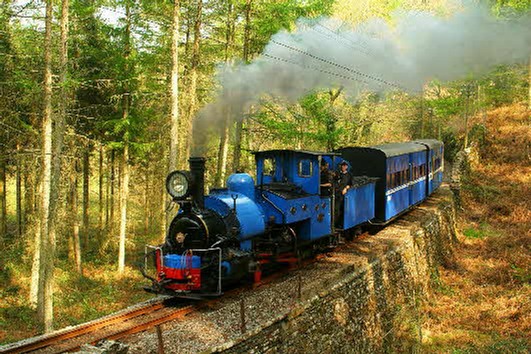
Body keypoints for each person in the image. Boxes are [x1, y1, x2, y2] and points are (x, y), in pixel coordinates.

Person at [334, 160, 353, 228]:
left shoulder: (349, 175)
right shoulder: (338, 174)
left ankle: (339, 224)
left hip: (343, 194)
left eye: (345, 166)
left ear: (347, 167)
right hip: (336, 192)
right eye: (342, 165)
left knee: (341, 209)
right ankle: (335, 223)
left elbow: (350, 184)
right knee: (336, 209)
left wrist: (346, 188)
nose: (343, 167)